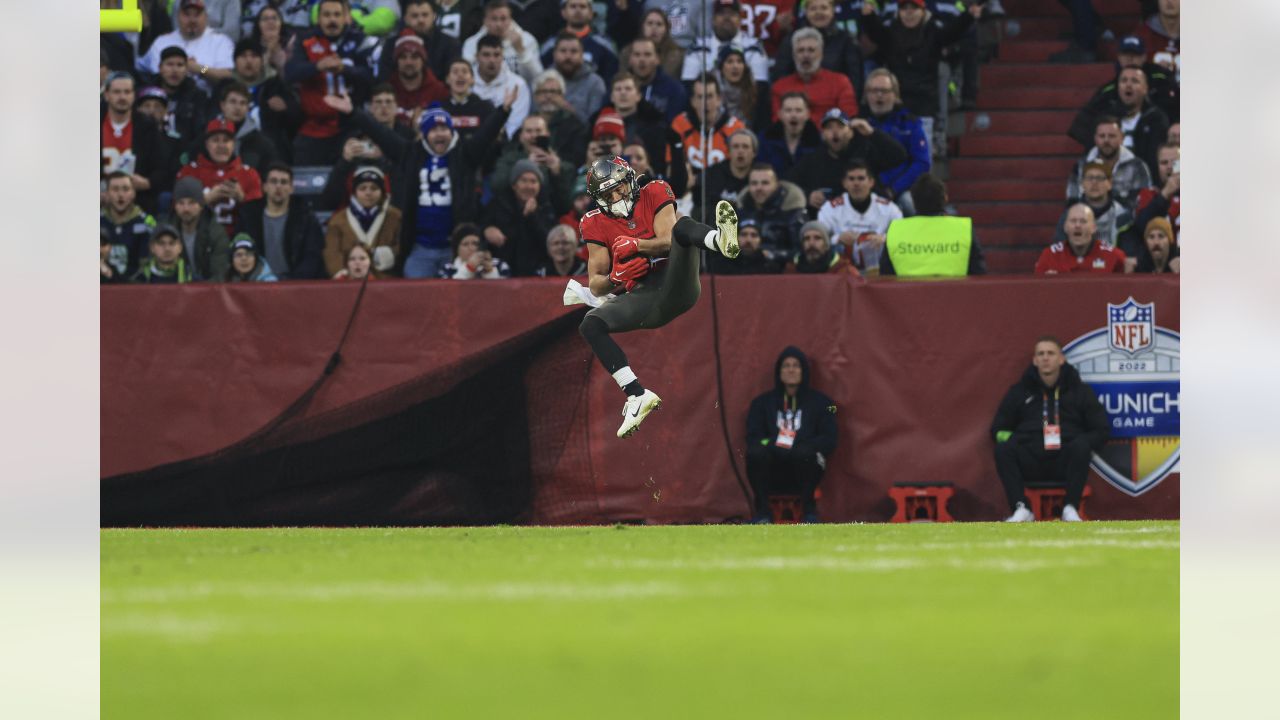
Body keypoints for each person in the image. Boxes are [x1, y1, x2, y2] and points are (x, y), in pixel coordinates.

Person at [577, 156, 742, 438]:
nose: (616, 197)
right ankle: (636, 395)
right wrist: (616, 277)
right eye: (607, 194)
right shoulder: (593, 223)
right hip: (644, 297)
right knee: (590, 324)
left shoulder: (654, 190)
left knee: (682, 226)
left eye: (619, 188)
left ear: (631, 181)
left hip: (676, 282)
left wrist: (637, 246)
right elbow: (595, 284)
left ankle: (720, 241)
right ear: (597, 199)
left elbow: (667, 239)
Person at [326, 88, 514, 278]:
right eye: (433, 129)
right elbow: (381, 133)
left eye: (444, 129)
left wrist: (503, 110)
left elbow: (485, 136)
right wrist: (353, 112)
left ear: (451, 131)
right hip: (420, 248)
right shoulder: (410, 154)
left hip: (457, 248)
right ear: (424, 134)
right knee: (416, 297)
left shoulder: (465, 155)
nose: (439, 134)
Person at [990, 336, 1110, 522]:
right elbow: (997, 429)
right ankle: (1021, 509)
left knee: (1082, 446)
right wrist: (1015, 439)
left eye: (1051, 353)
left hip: (1066, 460)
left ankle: (1070, 508)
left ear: (1061, 359)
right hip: (1030, 460)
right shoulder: (1019, 392)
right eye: (1041, 354)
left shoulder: (1080, 392)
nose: (1046, 358)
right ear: (1035, 360)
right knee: (1003, 449)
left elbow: (1101, 430)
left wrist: (1082, 441)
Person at [860, 0, 982, 152]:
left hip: (924, 104)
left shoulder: (934, 32)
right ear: (898, 12)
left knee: (922, 158)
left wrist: (969, 16)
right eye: (904, 9)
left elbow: (953, 32)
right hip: (897, 106)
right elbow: (875, 32)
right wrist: (868, 16)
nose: (909, 13)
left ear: (923, 11)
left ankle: (938, 137)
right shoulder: (890, 33)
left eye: (914, 8)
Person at [745, 346, 838, 523]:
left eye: (796, 365)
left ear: (804, 371)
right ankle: (763, 514)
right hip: (772, 468)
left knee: (805, 453)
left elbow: (829, 439)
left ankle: (810, 513)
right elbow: (754, 437)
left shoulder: (823, 403)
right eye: (786, 366)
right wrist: (774, 443)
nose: (791, 370)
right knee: (755, 452)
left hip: (806, 466)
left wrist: (800, 445)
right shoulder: (761, 403)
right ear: (778, 372)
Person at [286, 0, 378, 164]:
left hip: (351, 127)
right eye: (327, 15)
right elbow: (291, 73)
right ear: (318, 19)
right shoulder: (305, 41)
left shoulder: (360, 41)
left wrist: (345, 70)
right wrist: (318, 66)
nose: (332, 20)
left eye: (337, 14)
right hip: (313, 127)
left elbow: (372, 79)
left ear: (347, 18)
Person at [787, 108, 908, 214]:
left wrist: (872, 133)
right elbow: (788, 184)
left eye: (840, 127)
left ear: (850, 132)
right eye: (829, 128)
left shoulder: (865, 152)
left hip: (868, 216)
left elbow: (899, 156)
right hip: (828, 221)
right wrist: (808, 196)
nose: (835, 132)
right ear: (822, 134)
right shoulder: (812, 160)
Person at [1067, 67, 1169, 179]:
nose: (1128, 85)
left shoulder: (1156, 119)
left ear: (1145, 88)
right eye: (1124, 81)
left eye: (1135, 81)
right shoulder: (1104, 118)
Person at [880, 172, 986, 277]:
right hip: (954, 293)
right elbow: (979, 273)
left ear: (913, 201)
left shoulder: (896, 230)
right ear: (945, 198)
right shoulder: (963, 228)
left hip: (907, 294)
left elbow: (886, 276)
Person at [237, 162, 327, 280]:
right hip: (257, 283)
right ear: (265, 187)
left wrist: (294, 284)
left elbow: (312, 256)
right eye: (273, 181)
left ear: (291, 188)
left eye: (284, 182)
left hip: (296, 284)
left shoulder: (305, 217)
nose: (278, 186)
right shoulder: (248, 216)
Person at [175, 119, 264, 236]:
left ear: (234, 144)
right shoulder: (189, 172)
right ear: (207, 144)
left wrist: (243, 199)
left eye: (226, 140)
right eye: (215, 140)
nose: (221, 146)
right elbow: (175, 213)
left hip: (239, 242)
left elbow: (261, 217)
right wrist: (205, 200)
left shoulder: (249, 174)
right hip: (199, 239)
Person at [862, 68, 930, 214]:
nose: (879, 95)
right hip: (864, 189)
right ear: (866, 95)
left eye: (885, 91)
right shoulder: (858, 123)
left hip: (901, 190)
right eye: (874, 91)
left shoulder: (910, 123)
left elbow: (922, 163)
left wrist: (894, 188)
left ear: (895, 95)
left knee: (909, 202)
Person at [817, 160, 903, 274]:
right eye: (851, 179)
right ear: (844, 183)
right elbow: (817, 237)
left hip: (880, 272)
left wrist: (885, 239)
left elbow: (902, 237)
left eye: (861, 178)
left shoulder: (889, 208)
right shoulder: (830, 208)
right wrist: (837, 238)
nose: (856, 183)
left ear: (871, 182)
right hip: (841, 272)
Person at [481, 159, 560, 276]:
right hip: (502, 273)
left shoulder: (547, 207)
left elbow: (549, 240)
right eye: (523, 181)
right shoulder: (498, 204)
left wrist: (532, 216)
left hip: (537, 274)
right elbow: (479, 227)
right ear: (514, 185)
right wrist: (486, 230)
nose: (528, 186)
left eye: (533, 181)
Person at [228, 37, 301, 162]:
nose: (249, 61)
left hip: (271, 151)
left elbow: (297, 118)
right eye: (243, 56)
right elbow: (205, 69)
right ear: (235, 61)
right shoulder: (226, 84)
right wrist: (202, 69)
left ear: (262, 61)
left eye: (254, 56)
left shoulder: (277, 85)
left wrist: (286, 109)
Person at [100, 72, 166, 211]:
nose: (122, 97)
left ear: (133, 95)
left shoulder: (148, 126)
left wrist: (147, 183)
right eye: (117, 92)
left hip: (139, 203)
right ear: (106, 95)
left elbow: (161, 168)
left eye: (127, 92)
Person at [137, 0, 236, 92]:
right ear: (178, 16)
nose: (192, 20)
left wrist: (200, 69)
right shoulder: (162, 42)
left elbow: (228, 76)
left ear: (206, 17)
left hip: (204, 103)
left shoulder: (220, 42)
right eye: (187, 14)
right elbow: (144, 69)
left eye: (197, 15)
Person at [323, 165, 402, 277]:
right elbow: (331, 252)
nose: (368, 193)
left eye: (374, 188)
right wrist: (341, 274)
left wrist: (385, 256)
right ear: (354, 192)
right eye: (362, 188)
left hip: (386, 281)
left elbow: (402, 247)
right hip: (349, 282)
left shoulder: (396, 217)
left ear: (382, 191)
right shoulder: (338, 220)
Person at [769, 28, 857, 127]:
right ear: (793, 55)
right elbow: (777, 121)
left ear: (821, 54)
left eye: (811, 50)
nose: (806, 55)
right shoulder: (779, 87)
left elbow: (848, 116)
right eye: (800, 50)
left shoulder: (840, 82)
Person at [490, 115, 574, 214]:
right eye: (529, 131)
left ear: (547, 134)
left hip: (549, 218)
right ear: (521, 136)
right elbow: (496, 185)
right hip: (513, 214)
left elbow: (566, 205)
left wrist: (558, 174)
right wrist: (525, 166)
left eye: (538, 131)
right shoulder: (508, 159)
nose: (534, 135)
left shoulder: (562, 164)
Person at [771, 0, 861, 90]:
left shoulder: (847, 40)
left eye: (824, 8)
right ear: (805, 12)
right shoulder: (792, 39)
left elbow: (855, 79)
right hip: (797, 98)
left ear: (833, 10)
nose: (818, 12)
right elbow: (780, 76)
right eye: (813, 9)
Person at [681, 0, 769, 90]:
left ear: (740, 20)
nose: (727, 18)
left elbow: (760, 89)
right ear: (713, 20)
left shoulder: (754, 48)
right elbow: (688, 88)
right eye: (721, 14)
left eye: (732, 14)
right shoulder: (697, 48)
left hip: (745, 102)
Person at [1065, 116, 1151, 208]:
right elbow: (1072, 201)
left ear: (1122, 138)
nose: (1106, 140)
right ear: (1095, 138)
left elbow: (1142, 204)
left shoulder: (1137, 167)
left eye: (1111, 136)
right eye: (1102, 136)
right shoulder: (1081, 165)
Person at [670, 72, 747, 172]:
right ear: (693, 101)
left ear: (719, 99)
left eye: (709, 96)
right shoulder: (680, 124)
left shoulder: (736, 128)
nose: (705, 103)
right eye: (700, 97)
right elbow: (671, 166)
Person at [160, 176, 231, 280]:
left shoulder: (216, 232)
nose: (186, 209)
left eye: (192, 203)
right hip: (175, 292)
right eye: (181, 203)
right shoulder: (164, 232)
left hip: (208, 292)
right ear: (175, 206)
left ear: (201, 205)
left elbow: (219, 275)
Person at [374, 0, 463, 83]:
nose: (421, 20)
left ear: (434, 16)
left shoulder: (450, 44)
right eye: (415, 16)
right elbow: (384, 79)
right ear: (405, 19)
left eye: (425, 15)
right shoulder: (392, 45)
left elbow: (450, 81)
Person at [462, 0, 543, 86]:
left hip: (519, 91)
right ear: (485, 21)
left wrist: (521, 51)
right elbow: (466, 76)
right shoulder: (472, 43)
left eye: (503, 18)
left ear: (510, 19)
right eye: (494, 19)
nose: (499, 24)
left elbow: (538, 77)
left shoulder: (527, 40)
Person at [736, 163, 807, 258]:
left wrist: (772, 256)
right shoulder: (740, 211)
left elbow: (801, 252)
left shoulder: (793, 212)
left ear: (776, 185)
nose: (759, 188)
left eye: (765, 183)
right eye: (754, 183)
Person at [539, 0, 619, 84]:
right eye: (573, 6)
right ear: (563, 13)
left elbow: (611, 79)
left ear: (591, 13)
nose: (578, 10)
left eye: (582, 6)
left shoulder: (604, 45)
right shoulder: (550, 45)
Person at [1034, 203, 1127, 275]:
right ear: (1065, 227)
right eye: (1073, 221)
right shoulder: (1049, 256)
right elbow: (1036, 291)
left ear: (1093, 227)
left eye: (1083, 221)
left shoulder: (1114, 256)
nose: (1077, 225)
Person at [1055, 162, 1132, 247]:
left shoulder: (1123, 216)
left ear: (1110, 184)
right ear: (1082, 184)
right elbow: (1059, 251)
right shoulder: (1069, 216)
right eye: (1089, 178)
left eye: (1099, 178)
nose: (1094, 182)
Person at [153, 46, 211, 157]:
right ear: (160, 68)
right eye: (170, 64)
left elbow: (200, 133)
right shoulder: (148, 93)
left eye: (180, 65)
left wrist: (202, 69)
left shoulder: (197, 96)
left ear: (186, 70)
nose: (175, 70)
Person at [472, 33, 531, 140]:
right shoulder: (466, 82)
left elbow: (515, 125)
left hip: (503, 144)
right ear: (477, 57)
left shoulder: (517, 85)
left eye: (496, 55)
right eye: (486, 55)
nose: (492, 60)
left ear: (503, 56)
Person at [100, 171, 158, 279]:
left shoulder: (146, 223)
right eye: (115, 189)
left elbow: (147, 268)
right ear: (107, 193)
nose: (120, 195)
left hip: (137, 288)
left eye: (126, 189)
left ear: (133, 193)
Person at [691, 128, 756, 223]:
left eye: (745, 147)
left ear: (754, 152)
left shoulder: (760, 177)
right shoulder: (711, 175)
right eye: (736, 146)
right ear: (728, 151)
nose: (740, 151)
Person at [214, 81, 281, 171]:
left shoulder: (262, 143)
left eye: (243, 103)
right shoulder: (207, 136)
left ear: (248, 108)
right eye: (233, 102)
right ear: (222, 105)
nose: (237, 107)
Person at [530, 69, 589, 169]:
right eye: (543, 91)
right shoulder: (527, 124)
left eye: (553, 92)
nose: (548, 96)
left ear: (562, 96)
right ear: (535, 96)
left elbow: (578, 160)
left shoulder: (575, 126)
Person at [546, 34, 607, 126]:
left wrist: (566, 107)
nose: (568, 56)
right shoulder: (543, 81)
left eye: (574, 51)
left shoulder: (595, 83)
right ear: (554, 54)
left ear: (582, 55)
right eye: (563, 51)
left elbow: (594, 124)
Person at [757, 92, 822, 178]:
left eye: (798, 110)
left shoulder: (819, 142)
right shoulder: (765, 139)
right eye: (788, 110)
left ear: (807, 114)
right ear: (780, 114)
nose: (793, 115)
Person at [387, 32, 449, 118]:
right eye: (403, 57)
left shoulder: (439, 91)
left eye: (414, 57)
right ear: (396, 61)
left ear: (423, 61)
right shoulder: (387, 90)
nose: (408, 62)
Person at [627, 38, 687, 123]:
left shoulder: (674, 89)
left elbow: (674, 126)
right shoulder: (619, 87)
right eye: (637, 55)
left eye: (647, 55)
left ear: (657, 59)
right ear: (630, 59)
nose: (642, 60)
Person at [439, 59, 497, 144]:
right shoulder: (439, 109)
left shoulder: (485, 108)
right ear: (447, 79)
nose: (460, 75)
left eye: (465, 72)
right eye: (455, 72)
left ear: (472, 80)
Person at [714, 46, 768, 131]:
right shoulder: (712, 92)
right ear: (721, 67)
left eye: (739, 61)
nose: (735, 66)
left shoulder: (756, 91)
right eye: (729, 61)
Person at [705, 217, 782, 274]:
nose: (748, 240)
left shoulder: (770, 267)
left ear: (760, 240)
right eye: (744, 234)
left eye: (754, 235)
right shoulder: (721, 265)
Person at [438, 223, 512, 279]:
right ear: (457, 249)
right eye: (465, 244)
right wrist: (469, 268)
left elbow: (503, 293)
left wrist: (490, 271)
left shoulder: (500, 265)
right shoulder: (447, 269)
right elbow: (449, 293)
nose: (471, 248)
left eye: (475, 243)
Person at [785, 221, 856, 275]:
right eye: (806, 239)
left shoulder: (844, 270)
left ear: (826, 244)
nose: (811, 243)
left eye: (817, 238)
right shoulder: (791, 270)